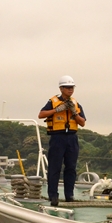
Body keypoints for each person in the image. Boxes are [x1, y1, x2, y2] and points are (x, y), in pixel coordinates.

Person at [39, 75, 86, 207]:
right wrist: (57, 110)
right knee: (55, 167)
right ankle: (53, 195)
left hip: (72, 137)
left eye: (72, 87)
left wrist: (74, 112)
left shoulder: (76, 104)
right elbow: (41, 114)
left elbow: (82, 123)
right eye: (67, 87)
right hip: (57, 137)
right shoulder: (53, 101)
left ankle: (69, 195)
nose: (70, 90)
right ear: (61, 88)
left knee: (71, 167)